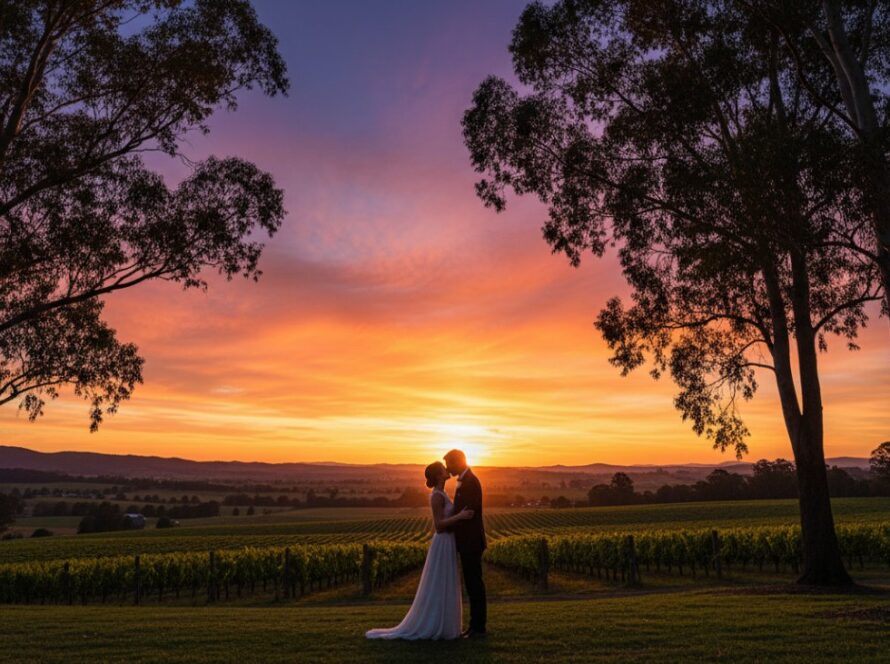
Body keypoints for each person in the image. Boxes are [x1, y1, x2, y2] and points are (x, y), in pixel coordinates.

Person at [365, 461, 473, 640]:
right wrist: (460, 516)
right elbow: (438, 526)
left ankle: (446, 625)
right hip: (443, 541)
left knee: (445, 582)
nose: (447, 470)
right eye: (443, 469)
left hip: (448, 542)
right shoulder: (436, 496)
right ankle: (437, 625)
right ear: (439, 475)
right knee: (440, 582)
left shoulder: (443, 493)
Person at [444, 448, 487, 638]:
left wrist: (448, 523)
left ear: (458, 462)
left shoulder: (470, 482)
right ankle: (474, 626)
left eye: (449, 464)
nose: (447, 468)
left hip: (471, 542)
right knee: (471, 584)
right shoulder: (464, 480)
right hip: (467, 542)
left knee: (474, 584)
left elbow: (468, 512)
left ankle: (478, 627)